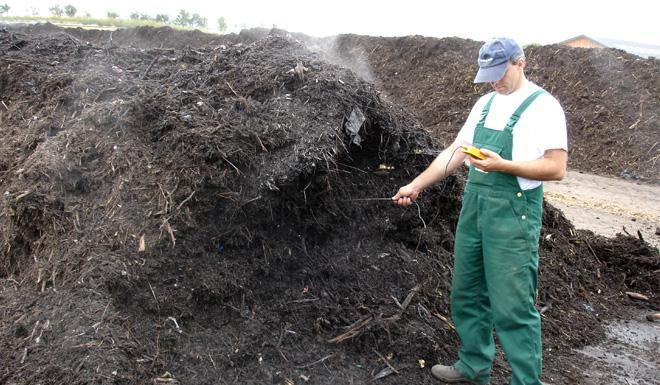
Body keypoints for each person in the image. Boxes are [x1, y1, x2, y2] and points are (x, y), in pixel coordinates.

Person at [392, 37, 567, 385]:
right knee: (467, 291)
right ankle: (473, 365)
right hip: (474, 211)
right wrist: (415, 185)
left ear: (520, 63)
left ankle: (526, 381)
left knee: (512, 305)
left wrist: (504, 166)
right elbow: (455, 153)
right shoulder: (485, 104)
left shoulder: (543, 107)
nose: (494, 81)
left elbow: (556, 167)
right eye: (488, 74)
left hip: (513, 214)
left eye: (499, 73)